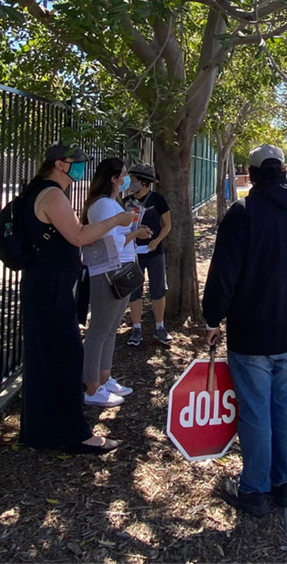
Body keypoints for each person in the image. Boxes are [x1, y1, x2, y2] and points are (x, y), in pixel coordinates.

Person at [203, 144, 287, 517]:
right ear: (283, 172)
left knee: (255, 410)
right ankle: (284, 485)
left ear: (252, 175)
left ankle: (254, 489)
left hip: (250, 331)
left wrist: (212, 319)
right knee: (285, 408)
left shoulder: (242, 213)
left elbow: (223, 274)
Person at [20, 141, 136, 452]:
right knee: (66, 358)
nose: (82, 167)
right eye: (77, 162)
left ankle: (41, 431)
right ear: (59, 164)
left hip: (45, 284)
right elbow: (78, 235)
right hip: (52, 287)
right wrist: (118, 221)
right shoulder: (52, 194)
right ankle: (73, 434)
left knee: (47, 359)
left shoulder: (38, 190)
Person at [80, 158, 153, 407]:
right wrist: (135, 234)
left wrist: (134, 230)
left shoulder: (112, 203)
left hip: (121, 270)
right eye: (123, 175)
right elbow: (110, 241)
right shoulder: (102, 205)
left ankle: (104, 378)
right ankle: (91, 387)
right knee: (99, 330)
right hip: (108, 272)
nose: (126, 180)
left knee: (110, 329)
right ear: (113, 179)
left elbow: (118, 234)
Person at [124, 163, 172, 346]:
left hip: (154, 252)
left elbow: (167, 225)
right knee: (134, 291)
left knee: (158, 289)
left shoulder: (158, 200)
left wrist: (156, 240)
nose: (130, 182)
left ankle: (160, 327)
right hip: (132, 254)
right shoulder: (125, 202)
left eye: (134, 179)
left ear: (144, 182)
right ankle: (137, 328)